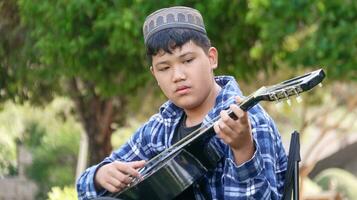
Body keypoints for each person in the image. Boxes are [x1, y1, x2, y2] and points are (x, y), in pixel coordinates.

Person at [77, 6, 287, 200]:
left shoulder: (248, 120)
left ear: (211, 58)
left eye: (187, 61)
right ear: (154, 75)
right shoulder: (160, 127)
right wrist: (100, 175)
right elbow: (84, 187)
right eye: (164, 68)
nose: (177, 76)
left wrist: (243, 150)